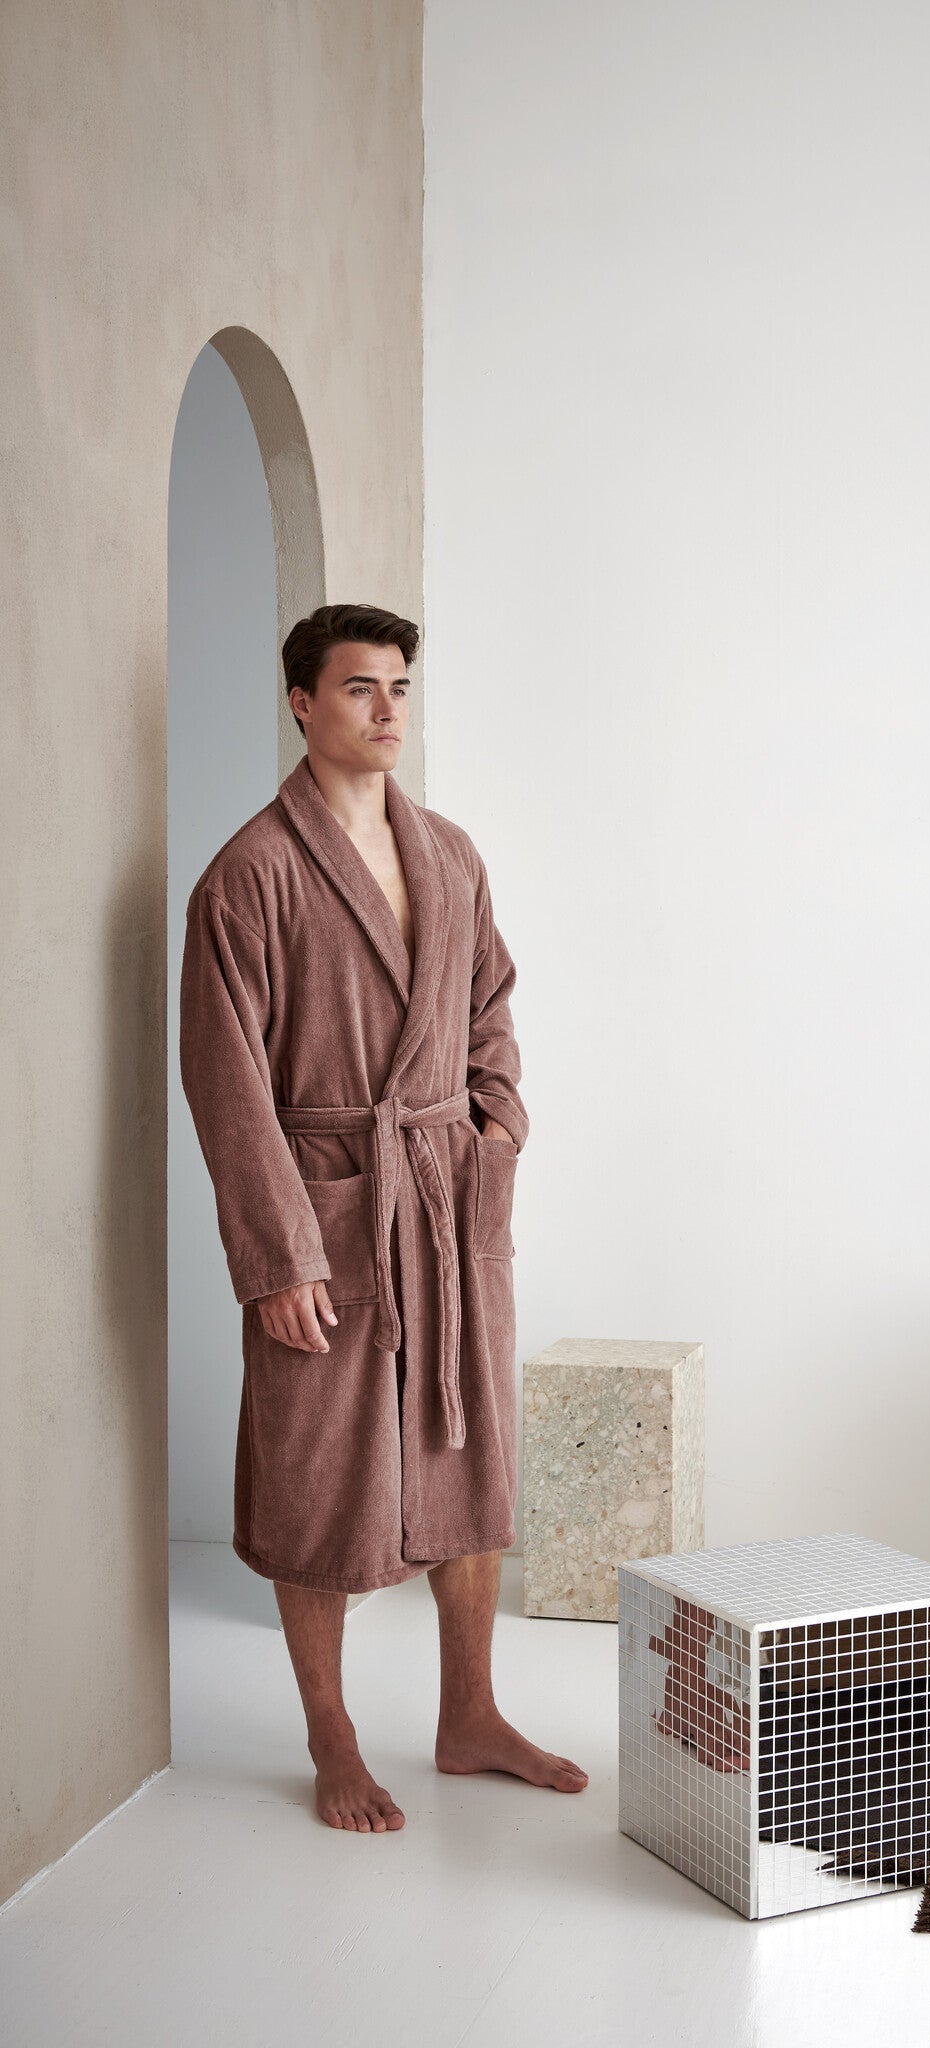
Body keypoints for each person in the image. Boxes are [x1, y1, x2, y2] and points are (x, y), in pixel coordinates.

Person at [179, 601, 587, 1832]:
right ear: (301, 702)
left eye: (400, 686)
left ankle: (471, 1713)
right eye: (361, 687)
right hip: (329, 1208)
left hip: (448, 1198)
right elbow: (226, 1079)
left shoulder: (448, 851)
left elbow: (490, 1000)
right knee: (318, 1471)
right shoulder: (248, 873)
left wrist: (497, 1126)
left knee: (471, 1450)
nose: (387, 708)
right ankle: (332, 1732)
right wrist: (277, 1255)